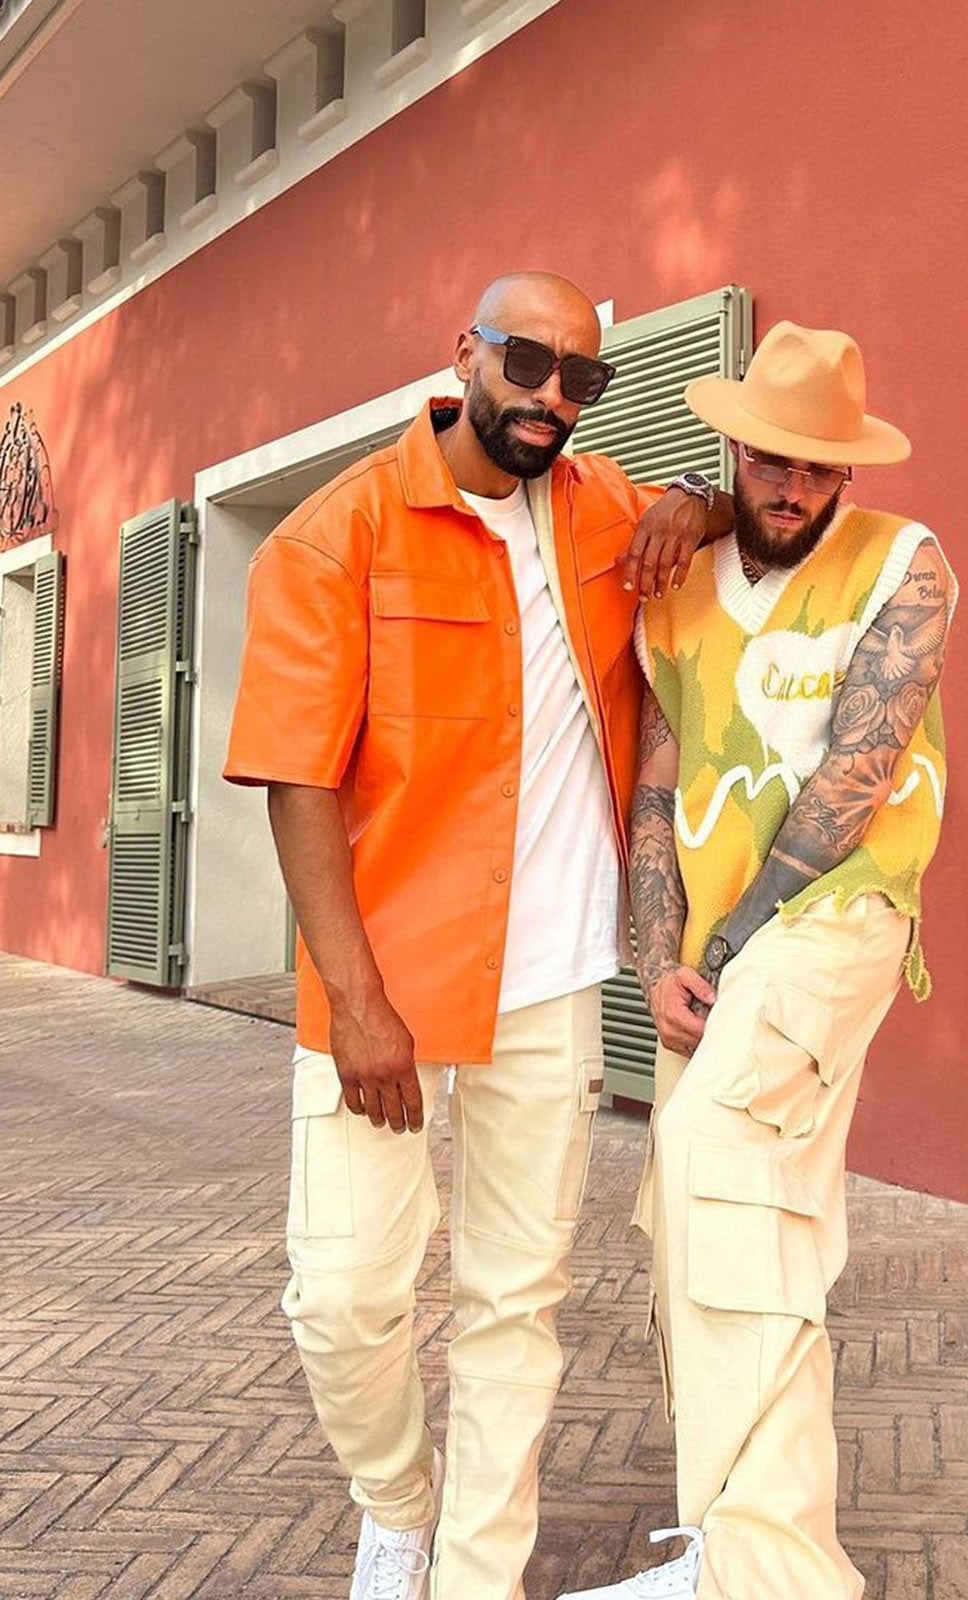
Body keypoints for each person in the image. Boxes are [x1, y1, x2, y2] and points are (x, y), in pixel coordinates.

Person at [223, 271, 734, 1600]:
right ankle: (396, 1504)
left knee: (516, 1301)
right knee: (343, 1294)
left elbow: (737, 509)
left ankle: (472, 1576)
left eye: (583, 377)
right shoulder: (337, 535)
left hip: (552, 983)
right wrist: (356, 1000)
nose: (552, 396)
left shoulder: (604, 507)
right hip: (385, 980)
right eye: (528, 362)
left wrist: (699, 500)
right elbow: (297, 781)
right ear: (466, 352)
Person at [560, 323, 956, 1600]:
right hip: (711, 947)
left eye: (821, 467)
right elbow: (658, 783)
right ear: (734, 448)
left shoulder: (903, 561)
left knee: (718, 1150)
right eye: (774, 459)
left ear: (850, 471)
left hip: (836, 909)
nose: (795, 487)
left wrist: (730, 944)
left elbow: (858, 774)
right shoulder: (675, 585)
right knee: (713, 1214)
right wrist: (655, 962)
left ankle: (762, 1568)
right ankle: (735, 1536)